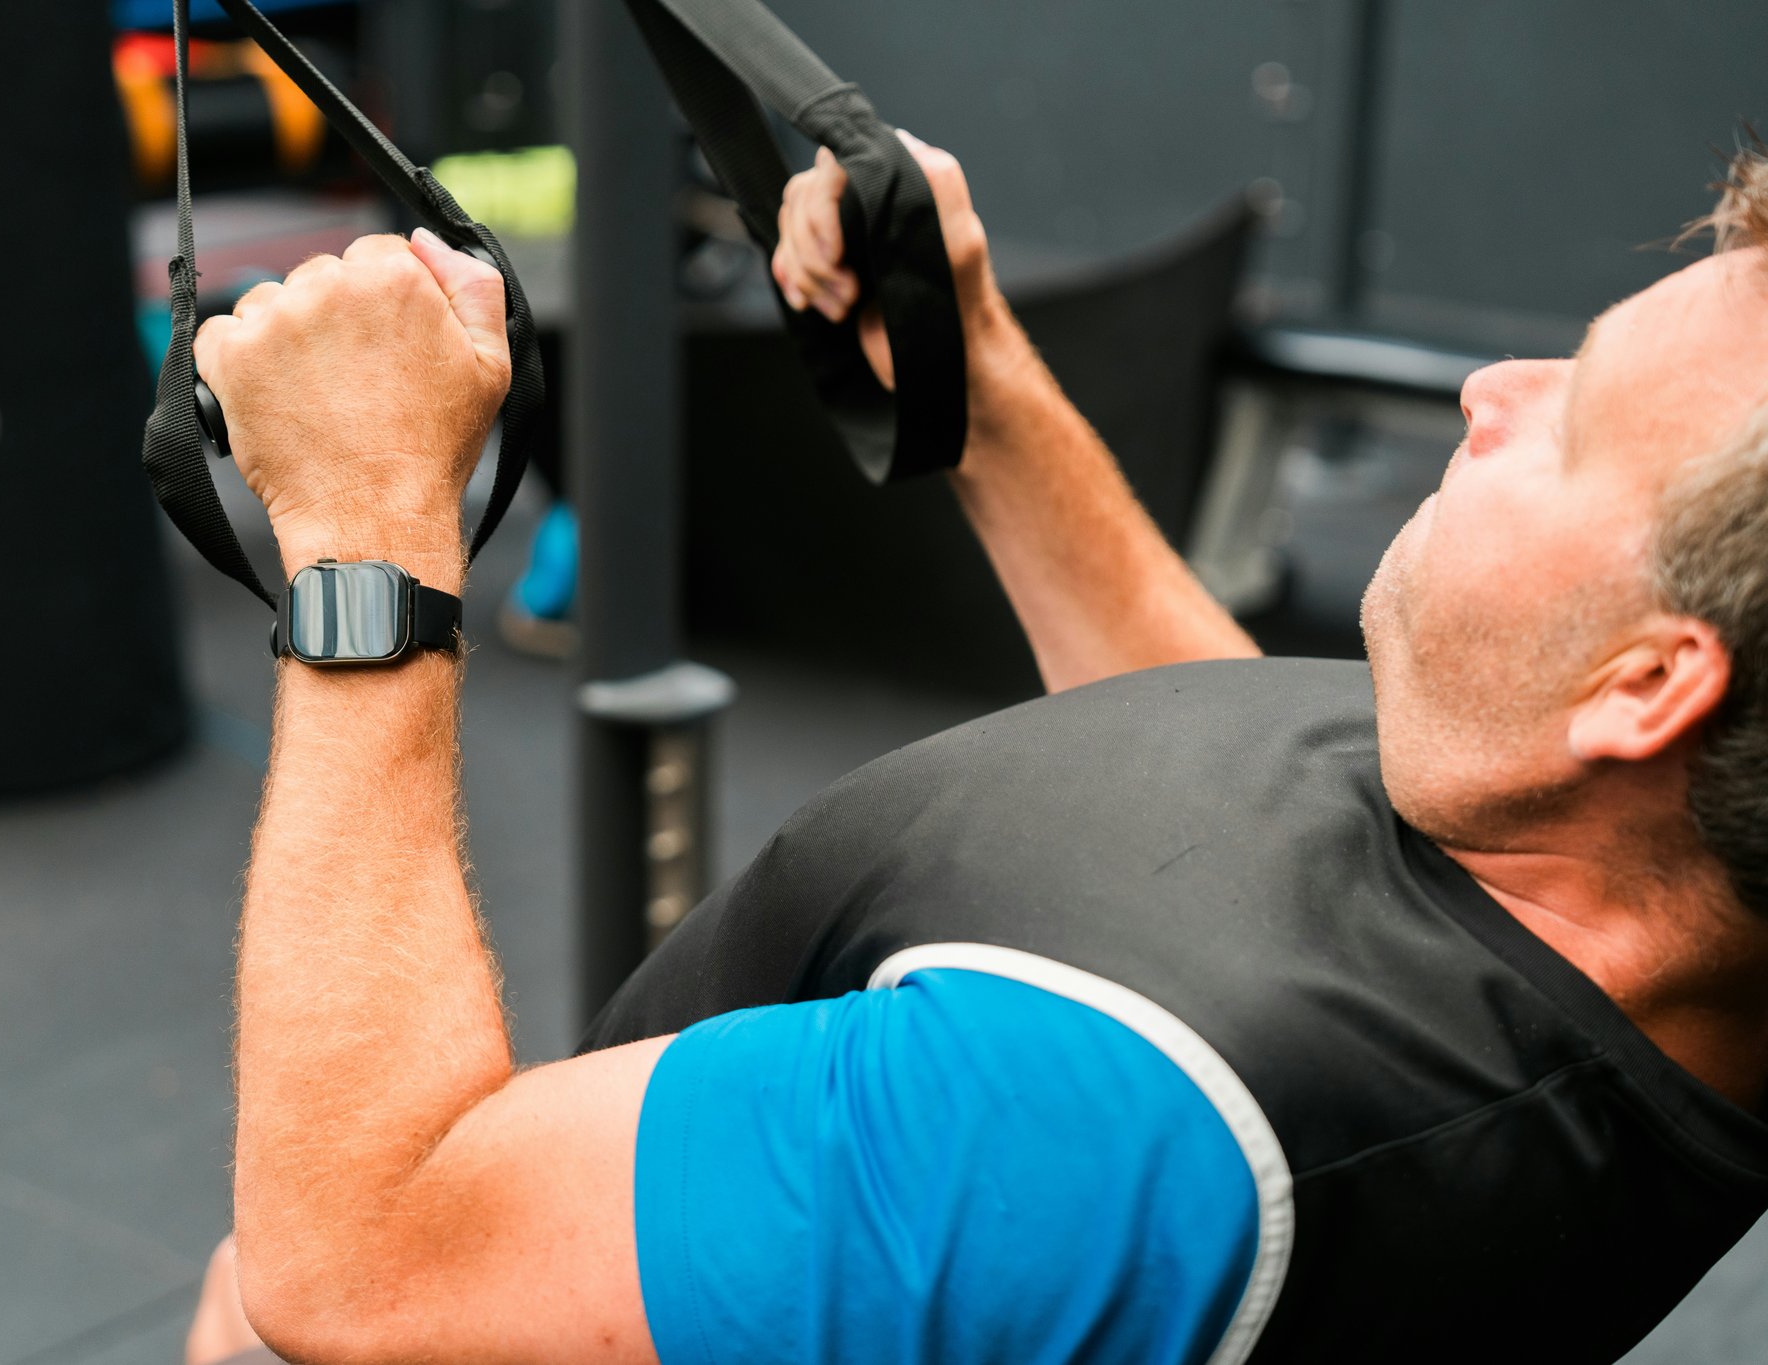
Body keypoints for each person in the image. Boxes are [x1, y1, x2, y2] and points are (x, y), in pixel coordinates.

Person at [182, 134, 1768, 1365]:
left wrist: (371, 527)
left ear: (1643, 685)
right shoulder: (1605, 853)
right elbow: (1244, 788)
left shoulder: (1088, 1124)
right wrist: (978, 376)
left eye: (1567, 429)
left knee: (251, 1290)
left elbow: (367, 1261)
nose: (1496, 390)